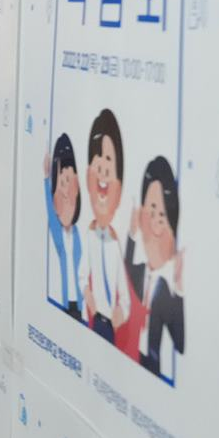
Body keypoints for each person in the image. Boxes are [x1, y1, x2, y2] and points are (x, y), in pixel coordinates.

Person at [127, 156, 185, 379]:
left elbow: (179, 343)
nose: (156, 225)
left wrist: (179, 287)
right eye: (151, 212)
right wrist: (131, 237)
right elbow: (126, 274)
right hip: (128, 359)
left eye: (162, 216)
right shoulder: (139, 271)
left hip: (150, 369)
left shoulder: (165, 292)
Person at [78, 109, 131, 345]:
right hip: (93, 318)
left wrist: (120, 313)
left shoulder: (115, 244)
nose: (103, 167)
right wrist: (88, 296)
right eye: (97, 158)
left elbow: (124, 296)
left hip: (109, 324)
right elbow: (82, 274)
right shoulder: (90, 236)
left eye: (109, 159)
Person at [43, 133, 83, 320]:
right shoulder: (59, 235)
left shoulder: (78, 235)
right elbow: (51, 216)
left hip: (80, 306)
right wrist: (46, 180)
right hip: (67, 305)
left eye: (69, 181)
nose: (66, 192)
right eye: (61, 183)